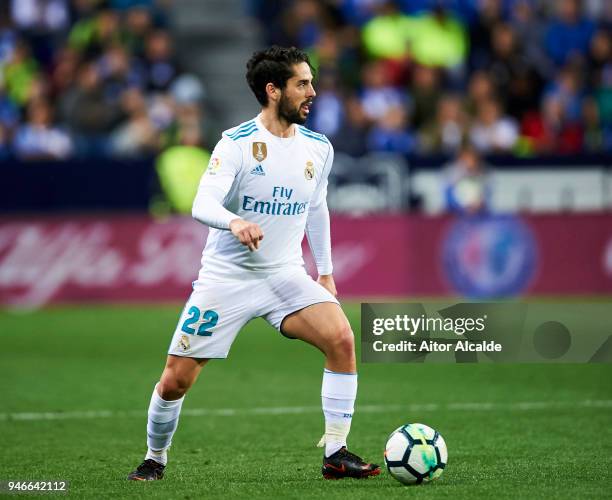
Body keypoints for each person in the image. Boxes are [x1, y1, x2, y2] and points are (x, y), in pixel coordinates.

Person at [127, 46, 380, 481]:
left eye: (311, 83)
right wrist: (234, 221)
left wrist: (325, 271)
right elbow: (201, 203)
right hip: (227, 279)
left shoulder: (319, 148)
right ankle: (155, 458)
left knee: (341, 338)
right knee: (175, 381)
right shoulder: (237, 144)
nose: (312, 92)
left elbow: (317, 208)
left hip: (284, 275)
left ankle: (336, 453)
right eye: (302, 84)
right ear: (273, 90)